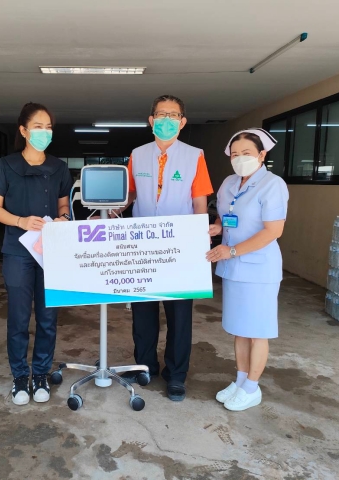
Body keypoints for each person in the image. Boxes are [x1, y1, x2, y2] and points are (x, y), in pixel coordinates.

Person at [118, 95, 214, 402]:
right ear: (151, 120)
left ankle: (176, 375)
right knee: (143, 312)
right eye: (161, 115)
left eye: (173, 115)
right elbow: (130, 194)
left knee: (179, 315)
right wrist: (110, 211)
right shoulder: (137, 154)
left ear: (182, 122)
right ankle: (145, 366)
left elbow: (199, 201)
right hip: (142, 245)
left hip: (179, 246)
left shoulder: (194, 156)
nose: (167, 120)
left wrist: (200, 238)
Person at [0, 102, 73, 406]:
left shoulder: (59, 167)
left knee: (48, 317)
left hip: (50, 251)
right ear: (23, 131)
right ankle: (20, 376)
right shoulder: (5, 165)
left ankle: (41, 374)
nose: (44, 132)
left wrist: (63, 218)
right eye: (38, 127)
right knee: (19, 318)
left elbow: (63, 204)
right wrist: (20, 221)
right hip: (18, 251)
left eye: (48, 127)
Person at [206, 128, 289, 412]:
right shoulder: (229, 182)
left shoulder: (273, 184)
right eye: (235, 154)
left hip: (259, 269)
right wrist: (218, 227)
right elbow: (226, 215)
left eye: (247, 153)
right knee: (239, 329)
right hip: (233, 267)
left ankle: (253, 387)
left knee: (257, 331)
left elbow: (273, 231)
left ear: (262, 155)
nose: (240, 158)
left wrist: (231, 251)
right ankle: (240, 380)